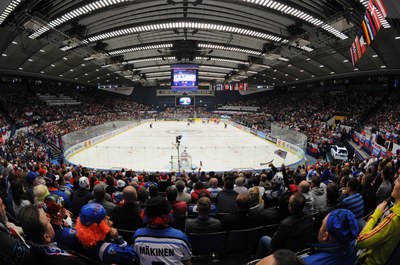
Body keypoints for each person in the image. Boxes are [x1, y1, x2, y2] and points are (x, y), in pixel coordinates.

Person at [132, 196, 192, 265]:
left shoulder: (138, 236)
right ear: (168, 213)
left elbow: (136, 258)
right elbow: (187, 261)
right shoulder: (180, 238)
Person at [18, 204, 85, 265]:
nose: (49, 218)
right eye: (48, 222)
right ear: (47, 237)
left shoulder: (32, 243)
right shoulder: (71, 261)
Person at [356, 176, 400, 265]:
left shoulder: (393, 219)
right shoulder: (394, 210)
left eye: (398, 180)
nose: (394, 181)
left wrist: (376, 214)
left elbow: (360, 241)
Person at [255, 193, 314, 258]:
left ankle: (258, 260)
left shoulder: (285, 224)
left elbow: (274, 244)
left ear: (290, 207)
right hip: (303, 250)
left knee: (264, 238)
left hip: (287, 254)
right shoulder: (309, 217)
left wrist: (275, 235)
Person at [0, 197, 32, 265]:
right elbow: (31, 258)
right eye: (1, 204)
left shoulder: (7, 226)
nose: (4, 207)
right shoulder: (8, 243)